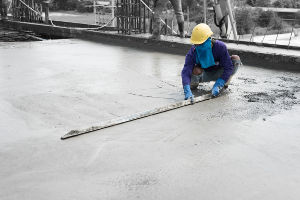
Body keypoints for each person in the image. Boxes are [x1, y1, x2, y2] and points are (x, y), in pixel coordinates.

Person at [181, 23, 241, 101]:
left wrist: (218, 84)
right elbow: (186, 71)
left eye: (201, 43)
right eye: (196, 44)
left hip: (218, 71)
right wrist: (186, 90)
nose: (198, 46)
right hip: (204, 74)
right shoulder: (193, 52)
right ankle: (193, 85)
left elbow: (228, 67)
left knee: (235, 59)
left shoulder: (220, 47)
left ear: (209, 39)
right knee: (195, 70)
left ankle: (224, 82)